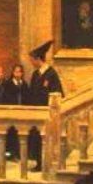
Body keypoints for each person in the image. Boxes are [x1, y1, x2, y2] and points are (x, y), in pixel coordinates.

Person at [28, 41, 64, 170]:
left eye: (32, 60)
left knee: (47, 139)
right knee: (37, 139)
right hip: (36, 112)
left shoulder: (51, 74)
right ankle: (39, 163)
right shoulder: (35, 74)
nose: (31, 62)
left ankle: (47, 163)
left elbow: (58, 93)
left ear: (38, 59)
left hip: (47, 113)